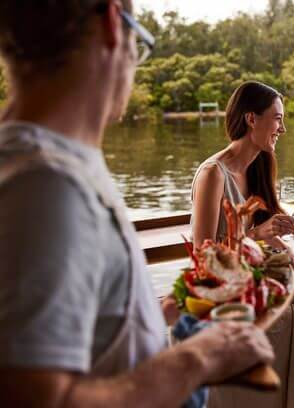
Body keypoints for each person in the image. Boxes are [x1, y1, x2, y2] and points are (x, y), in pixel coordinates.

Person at [0, 1, 273, 407]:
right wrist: (198, 358)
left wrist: (159, 311)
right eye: (139, 41)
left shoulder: (44, 166)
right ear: (113, 24)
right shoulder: (46, 186)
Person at [189, 81, 294, 408]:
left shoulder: (258, 166)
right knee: (288, 319)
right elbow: (202, 257)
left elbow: (262, 231)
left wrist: (283, 247)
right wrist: (257, 236)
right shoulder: (213, 174)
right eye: (277, 119)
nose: (283, 128)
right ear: (252, 119)